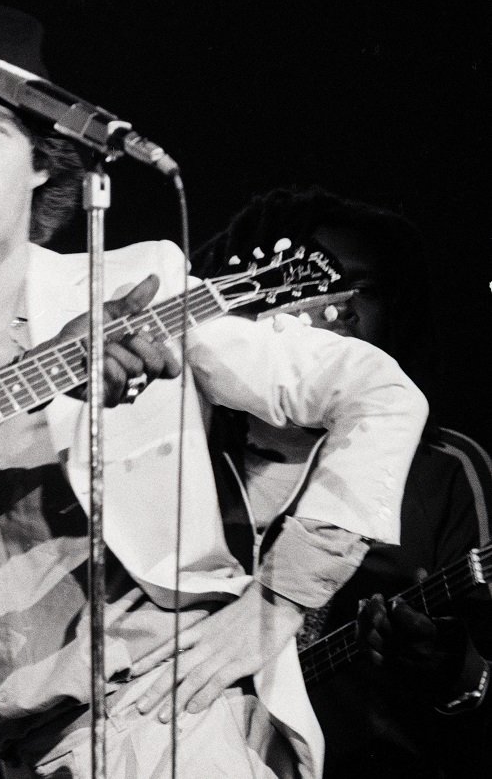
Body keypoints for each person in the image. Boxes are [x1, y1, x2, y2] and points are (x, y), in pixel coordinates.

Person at [0, 3, 429, 779]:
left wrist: (278, 603)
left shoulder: (130, 285)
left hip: (172, 722)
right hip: (21, 754)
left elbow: (380, 393)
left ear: (44, 160)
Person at [195, 187, 492, 779]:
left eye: (371, 289)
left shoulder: (444, 469)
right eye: (317, 279)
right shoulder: (186, 454)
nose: (346, 306)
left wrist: (451, 666)